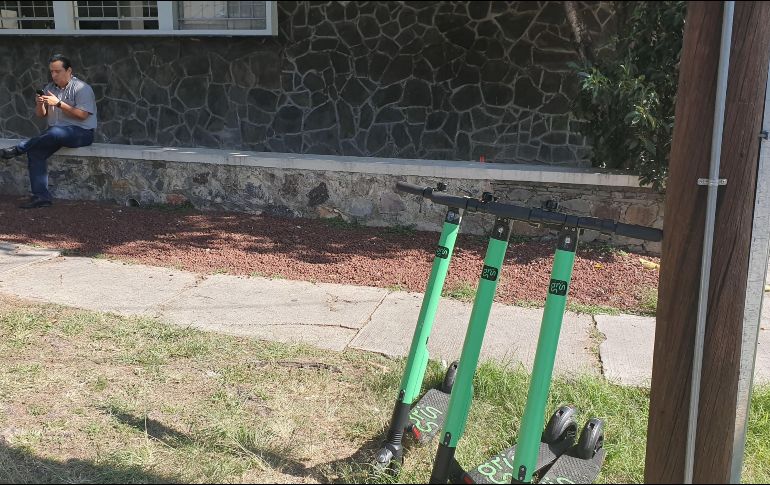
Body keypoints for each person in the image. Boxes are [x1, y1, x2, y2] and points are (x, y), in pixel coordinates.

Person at [1, 54, 97, 209]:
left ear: (69, 70)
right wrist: (40, 104)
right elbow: (41, 115)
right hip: (55, 133)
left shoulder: (82, 88)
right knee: (36, 152)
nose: (53, 75)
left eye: (57, 71)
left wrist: (59, 103)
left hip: (82, 133)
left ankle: (18, 149)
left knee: (55, 132)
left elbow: (83, 115)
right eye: (51, 72)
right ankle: (41, 198)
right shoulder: (49, 88)